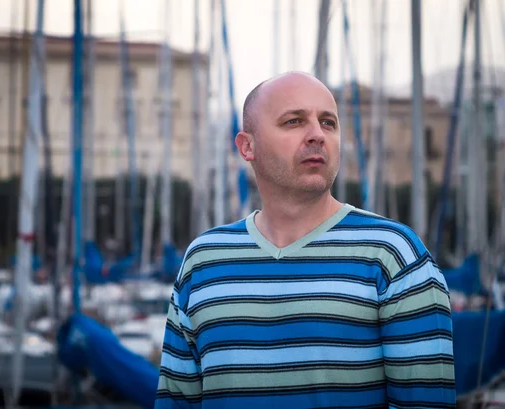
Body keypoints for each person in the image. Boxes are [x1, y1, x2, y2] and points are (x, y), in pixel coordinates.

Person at [154, 72, 455, 408]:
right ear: (247, 146)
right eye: (294, 121)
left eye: (328, 123)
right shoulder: (203, 260)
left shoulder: (393, 255)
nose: (317, 135)